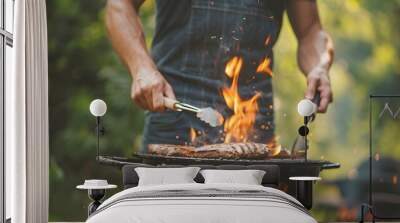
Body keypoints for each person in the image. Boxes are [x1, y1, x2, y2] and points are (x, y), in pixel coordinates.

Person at [105, 0, 334, 152]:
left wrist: (319, 66)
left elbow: (311, 30)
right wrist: (142, 68)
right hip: (173, 117)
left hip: (254, 124)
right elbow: (119, 6)